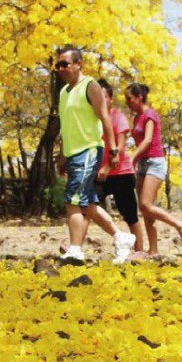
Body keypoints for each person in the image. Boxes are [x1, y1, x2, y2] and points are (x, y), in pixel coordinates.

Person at [54, 46, 135, 264]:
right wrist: (63, 156)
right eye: (58, 65)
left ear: (79, 63)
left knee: (72, 200)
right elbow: (67, 126)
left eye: (65, 64)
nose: (61, 68)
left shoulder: (90, 86)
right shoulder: (63, 92)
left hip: (89, 149)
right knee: (86, 203)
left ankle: (75, 250)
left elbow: (105, 119)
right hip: (73, 153)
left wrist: (114, 151)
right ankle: (121, 238)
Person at [125, 83, 182, 258]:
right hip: (143, 164)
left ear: (139, 97)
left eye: (129, 98)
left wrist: (132, 158)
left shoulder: (149, 115)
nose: (127, 102)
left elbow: (147, 141)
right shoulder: (137, 117)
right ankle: (153, 250)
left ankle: (179, 225)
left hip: (155, 162)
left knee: (146, 204)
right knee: (145, 210)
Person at [91, 80, 144, 257]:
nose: (100, 100)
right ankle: (74, 248)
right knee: (87, 207)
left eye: (104, 97)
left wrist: (106, 167)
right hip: (100, 174)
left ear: (111, 99)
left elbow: (120, 147)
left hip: (121, 173)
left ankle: (139, 252)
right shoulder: (92, 119)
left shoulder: (117, 116)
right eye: (97, 97)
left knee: (130, 215)